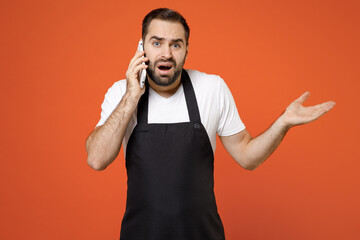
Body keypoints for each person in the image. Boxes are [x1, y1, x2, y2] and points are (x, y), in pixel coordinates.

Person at [85, 8, 335, 240]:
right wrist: (131, 96)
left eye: (176, 44)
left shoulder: (211, 88)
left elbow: (247, 157)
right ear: (142, 48)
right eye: (157, 43)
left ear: (187, 49)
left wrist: (283, 122)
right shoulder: (121, 93)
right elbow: (97, 159)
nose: (166, 54)